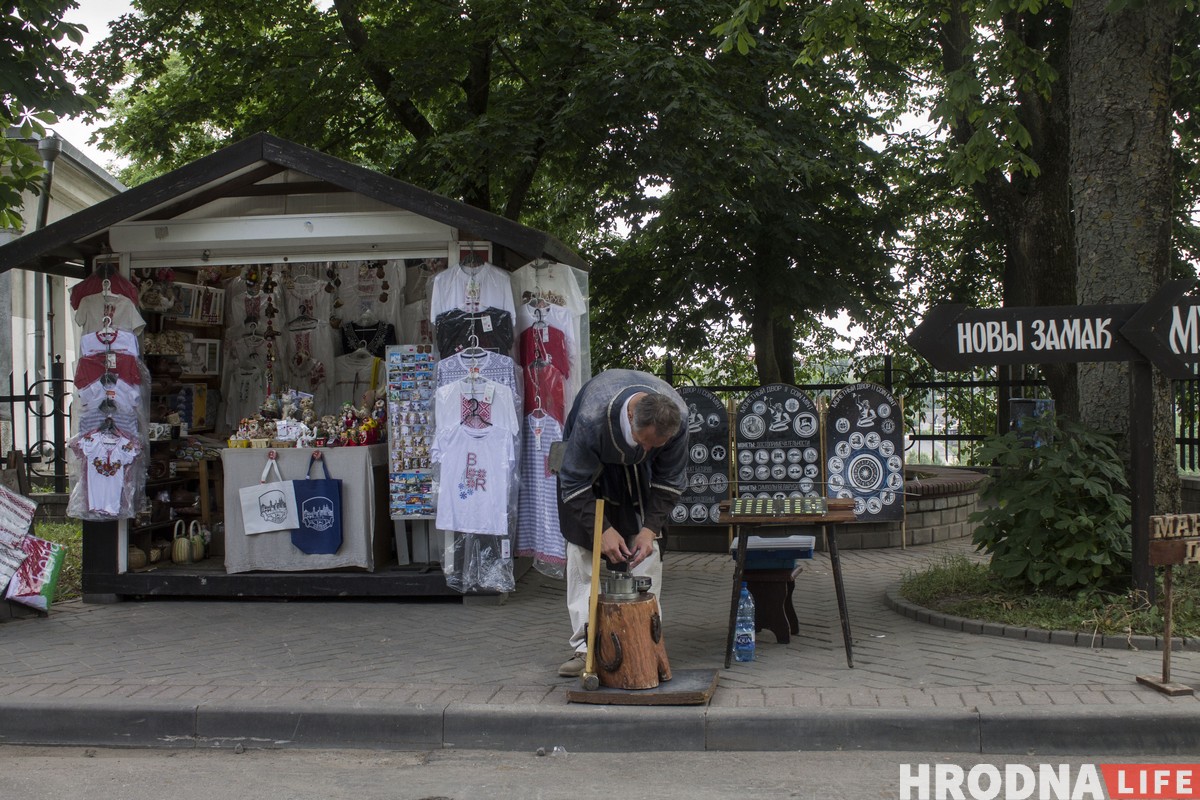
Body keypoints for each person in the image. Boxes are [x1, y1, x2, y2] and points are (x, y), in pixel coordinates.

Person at [555, 368, 689, 678]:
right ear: (631, 417)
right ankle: (585, 647)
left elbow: (670, 479)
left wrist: (649, 530)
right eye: (645, 443)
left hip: (638, 477)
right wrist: (601, 530)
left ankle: (644, 641)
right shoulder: (591, 418)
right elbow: (573, 482)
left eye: (656, 446)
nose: (649, 450)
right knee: (582, 557)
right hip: (587, 476)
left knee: (648, 552)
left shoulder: (677, 419)